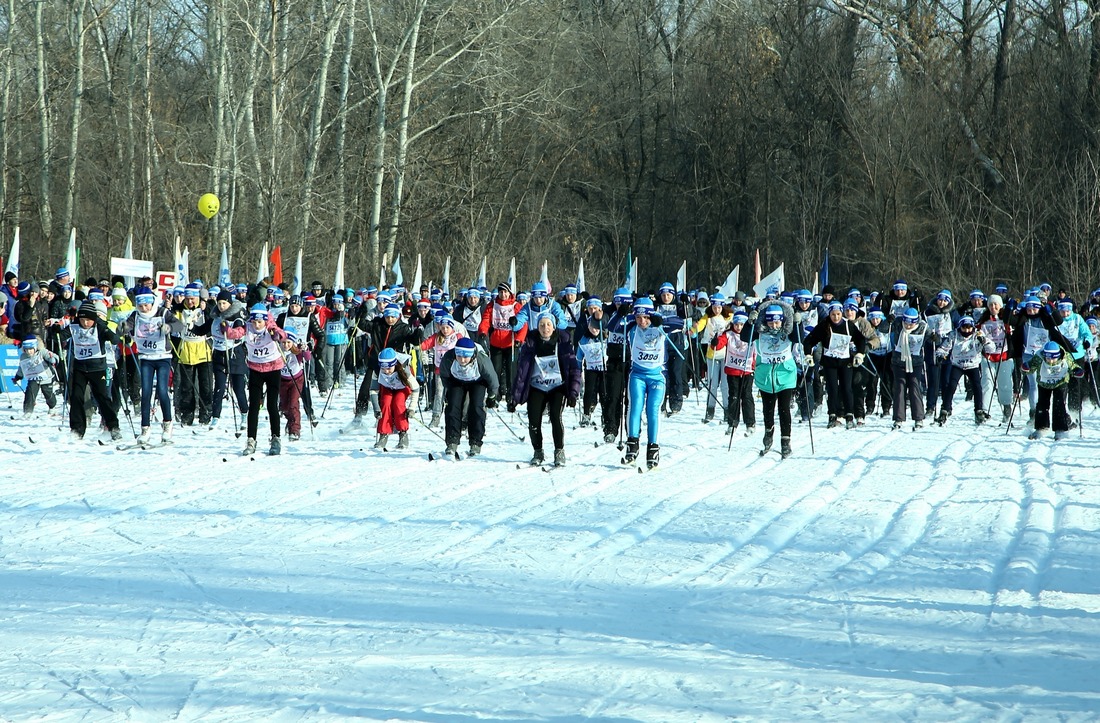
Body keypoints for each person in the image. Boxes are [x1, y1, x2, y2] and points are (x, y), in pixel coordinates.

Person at [510, 312, 581, 467]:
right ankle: (538, 451)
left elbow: (574, 369)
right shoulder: (530, 343)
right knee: (534, 420)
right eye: (542, 325)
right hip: (537, 386)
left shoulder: (563, 342)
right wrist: (514, 398)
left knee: (556, 417)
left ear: (554, 327)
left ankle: (559, 451)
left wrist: (573, 393)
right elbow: (522, 372)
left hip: (557, 386)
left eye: (548, 324)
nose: (545, 328)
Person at [118, 287, 185, 444]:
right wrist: (123, 329)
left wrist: (168, 327)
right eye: (140, 306)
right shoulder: (136, 315)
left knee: (162, 391)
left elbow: (179, 325)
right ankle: (145, 429)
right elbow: (126, 327)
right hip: (146, 357)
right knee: (146, 392)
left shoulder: (162, 312)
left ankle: (167, 424)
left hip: (163, 356)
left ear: (152, 302)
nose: (144, 309)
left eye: (146, 305)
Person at [224, 303, 288, 456]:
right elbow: (236, 333)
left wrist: (276, 335)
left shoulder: (270, 326)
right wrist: (226, 329)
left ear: (265, 320)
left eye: (260, 321)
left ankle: (275, 439)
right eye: (254, 321)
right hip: (255, 369)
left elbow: (282, 334)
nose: (257, 324)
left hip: (273, 368)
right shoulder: (248, 327)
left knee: (272, 405)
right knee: (254, 406)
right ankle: (251, 439)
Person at [63, 300, 122, 441]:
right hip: (80, 368)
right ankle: (77, 429)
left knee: (102, 398)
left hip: (97, 368)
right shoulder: (75, 326)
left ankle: (113, 426)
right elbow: (61, 335)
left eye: (89, 320)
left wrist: (109, 333)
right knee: (76, 397)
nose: (85, 323)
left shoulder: (99, 326)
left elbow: (114, 339)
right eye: (83, 319)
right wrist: (55, 331)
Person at [802, 300, 867, 429]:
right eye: (833, 314)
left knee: (846, 388)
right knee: (832, 389)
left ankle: (849, 415)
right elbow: (809, 340)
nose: (835, 317)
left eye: (838, 314)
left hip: (845, 361)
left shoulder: (848, 325)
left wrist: (860, 354)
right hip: (829, 362)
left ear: (841, 313)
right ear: (829, 314)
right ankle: (832, 414)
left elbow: (861, 339)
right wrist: (808, 354)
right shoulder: (825, 325)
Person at [622, 297, 667, 469]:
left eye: (646, 317)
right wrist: (621, 313)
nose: (642, 321)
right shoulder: (631, 328)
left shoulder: (660, 327)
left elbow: (679, 323)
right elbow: (611, 326)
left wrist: (659, 321)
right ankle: (632, 445)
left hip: (657, 377)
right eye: (638, 317)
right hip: (638, 375)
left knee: (652, 410)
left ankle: (653, 449)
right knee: (635, 407)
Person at [752, 301, 798, 458]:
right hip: (765, 375)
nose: (774, 325)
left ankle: (786, 441)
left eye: (777, 321)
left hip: (785, 374)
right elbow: (746, 336)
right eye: (770, 321)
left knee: (784, 409)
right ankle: (768, 432)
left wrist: (797, 322)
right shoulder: (759, 331)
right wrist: (750, 320)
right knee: (768, 409)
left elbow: (799, 338)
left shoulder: (788, 331)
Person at [439, 336, 499, 457]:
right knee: (452, 408)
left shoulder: (481, 360)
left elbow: (493, 379)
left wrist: (492, 396)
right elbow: (444, 375)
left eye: (465, 357)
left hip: (478, 381)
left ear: (472, 355)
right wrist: (449, 391)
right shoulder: (449, 358)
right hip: (457, 381)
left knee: (476, 407)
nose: (462, 360)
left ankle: (475, 442)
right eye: (459, 356)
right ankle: (452, 441)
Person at [934, 316, 995, 425]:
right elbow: (943, 348)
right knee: (951, 385)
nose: (967, 330)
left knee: (977, 386)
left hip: (973, 365)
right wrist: (940, 355)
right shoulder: (954, 335)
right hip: (958, 364)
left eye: (969, 327)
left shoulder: (978, 335)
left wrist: (984, 342)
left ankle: (979, 410)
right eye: (964, 327)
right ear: (960, 327)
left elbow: (992, 348)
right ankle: (945, 409)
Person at [479, 281, 527, 402]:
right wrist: (483, 332)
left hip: (511, 342)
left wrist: (519, 339)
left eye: (505, 292)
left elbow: (523, 324)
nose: (503, 294)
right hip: (496, 342)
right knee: (496, 369)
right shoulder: (492, 305)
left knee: (511, 370)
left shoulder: (516, 306)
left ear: (509, 292)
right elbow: (486, 320)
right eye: (501, 292)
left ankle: (511, 394)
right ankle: (496, 393)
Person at [710, 310, 756, 435]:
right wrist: (715, 343)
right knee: (734, 397)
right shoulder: (729, 334)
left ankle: (750, 423)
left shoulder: (751, 333)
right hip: (733, 370)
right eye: (737, 324)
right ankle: (732, 422)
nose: (739, 327)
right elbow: (719, 344)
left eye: (742, 325)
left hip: (746, 371)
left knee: (746, 396)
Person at [1025, 341, 1081, 440]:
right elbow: (1031, 366)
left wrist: (1077, 371)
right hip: (1044, 383)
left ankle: (1060, 430)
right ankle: (1041, 428)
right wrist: (1026, 367)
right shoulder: (1039, 356)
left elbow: (1073, 366)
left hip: (1060, 382)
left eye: (1053, 358)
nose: (1050, 361)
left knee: (1059, 404)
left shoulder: (1065, 357)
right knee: (1042, 404)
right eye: (1048, 358)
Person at [693, 292, 732, 424]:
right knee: (712, 384)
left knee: (725, 386)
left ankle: (728, 411)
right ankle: (710, 410)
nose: (717, 310)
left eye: (719, 307)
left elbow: (737, 325)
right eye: (714, 307)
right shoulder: (707, 317)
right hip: (712, 354)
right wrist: (692, 330)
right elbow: (699, 326)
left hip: (726, 355)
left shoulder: (728, 317)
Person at [976, 294, 1014, 423]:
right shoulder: (984, 320)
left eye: (996, 304)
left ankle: (1007, 405)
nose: (993, 307)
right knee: (987, 382)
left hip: (1004, 355)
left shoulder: (1005, 319)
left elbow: (1014, 329)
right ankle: (984, 410)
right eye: (991, 305)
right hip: (988, 356)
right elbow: (977, 332)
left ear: (1000, 306)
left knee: (1005, 383)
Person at [889, 308, 928, 430]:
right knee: (900, 388)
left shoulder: (922, 327)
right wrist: (888, 321)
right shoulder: (897, 323)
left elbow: (931, 337)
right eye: (906, 322)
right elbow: (883, 328)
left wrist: (934, 338)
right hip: (898, 361)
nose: (908, 325)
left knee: (915, 387)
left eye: (911, 323)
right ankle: (898, 419)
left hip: (915, 363)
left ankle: (918, 418)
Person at [374, 347, 419, 449]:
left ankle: (403, 433)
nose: (386, 371)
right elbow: (373, 390)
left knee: (398, 403)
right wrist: (376, 408)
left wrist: (412, 408)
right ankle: (383, 434)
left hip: (402, 387)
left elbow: (416, 389)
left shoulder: (403, 369)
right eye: (383, 368)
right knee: (385, 402)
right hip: (387, 387)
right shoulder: (377, 370)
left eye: (389, 368)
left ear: (394, 364)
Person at [574, 296, 608, 428]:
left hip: (604, 369)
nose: (594, 329)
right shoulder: (584, 339)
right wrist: (577, 370)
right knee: (588, 392)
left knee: (604, 393)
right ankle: (586, 414)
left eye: (597, 327)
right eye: (592, 327)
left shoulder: (605, 336)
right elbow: (579, 356)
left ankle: (605, 416)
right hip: (591, 369)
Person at [12, 335, 59, 417]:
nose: (29, 352)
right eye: (26, 350)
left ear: (35, 347)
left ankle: (52, 407)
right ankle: (28, 410)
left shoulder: (42, 352)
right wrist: (18, 377)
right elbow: (22, 367)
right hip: (33, 377)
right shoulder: (23, 357)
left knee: (48, 394)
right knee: (30, 393)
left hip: (45, 377)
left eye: (31, 349)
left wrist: (53, 360)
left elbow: (53, 356)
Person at [279, 331, 311, 442]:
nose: (286, 345)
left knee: (293, 404)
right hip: (283, 380)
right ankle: (290, 422)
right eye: (283, 342)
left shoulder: (296, 351)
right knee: (284, 406)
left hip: (296, 380)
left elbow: (307, 357)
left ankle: (295, 430)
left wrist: (305, 349)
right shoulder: (278, 351)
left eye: (288, 342)